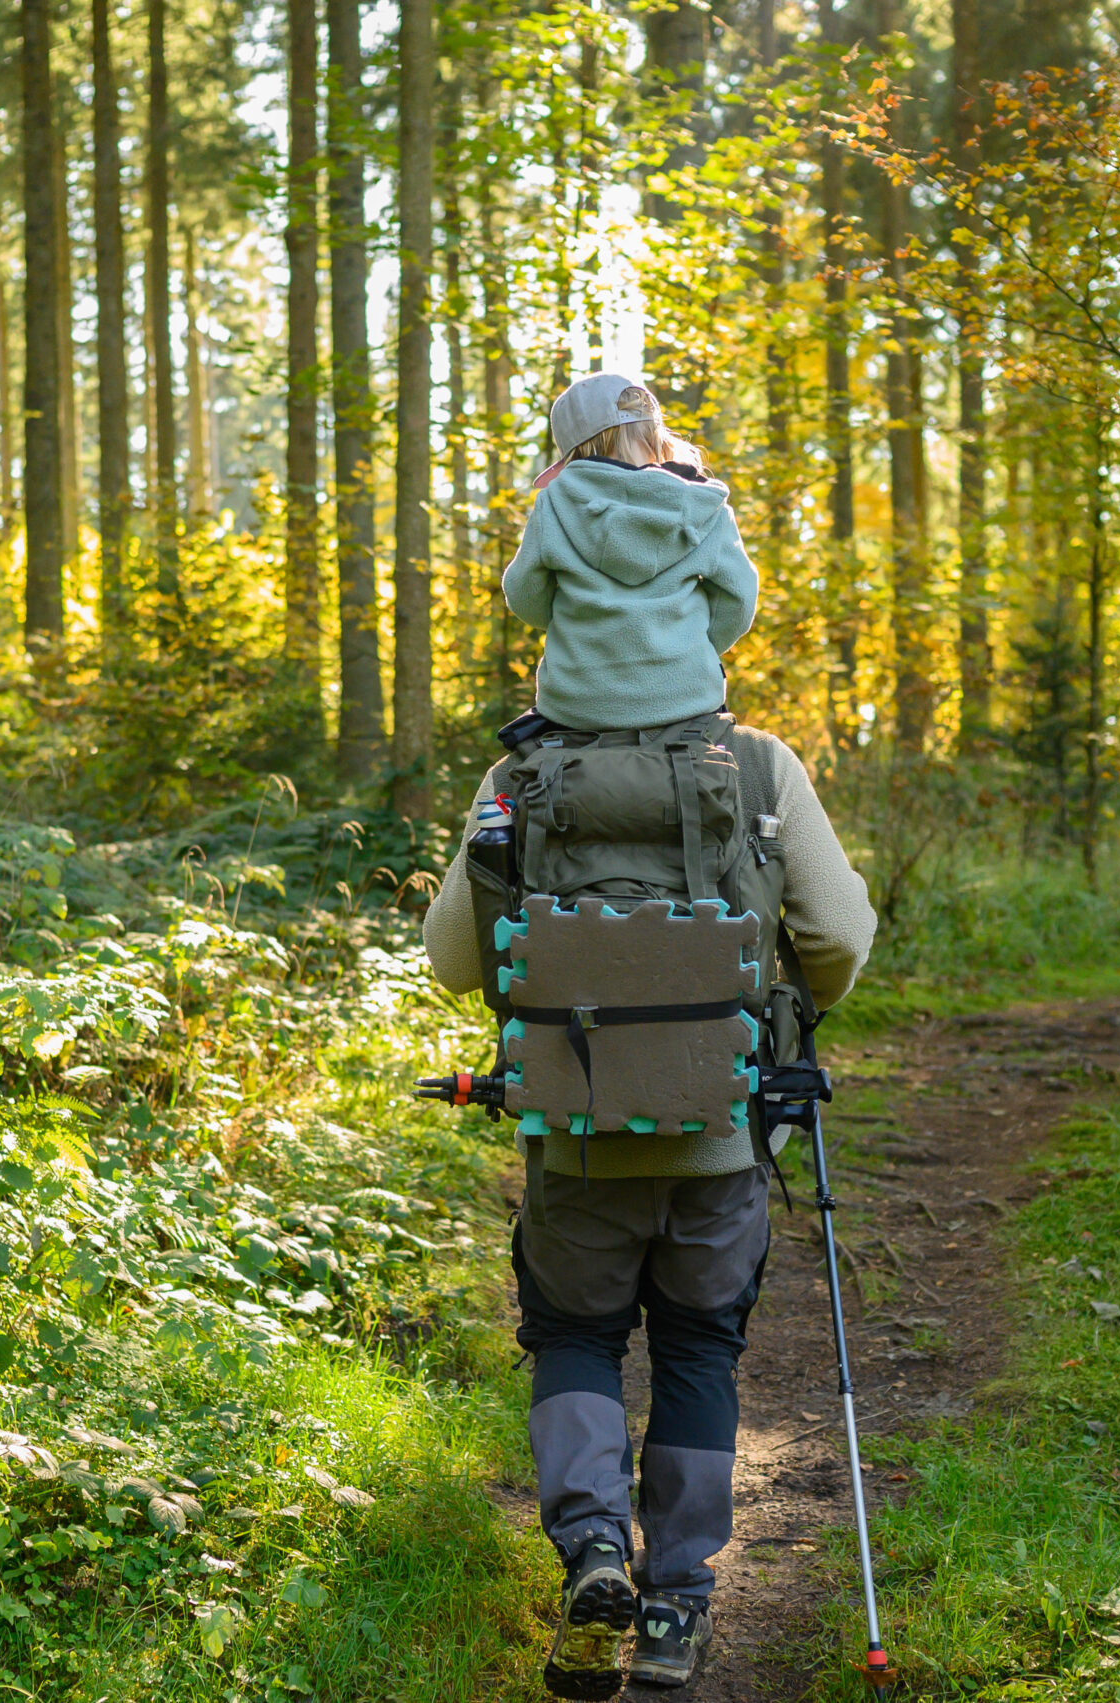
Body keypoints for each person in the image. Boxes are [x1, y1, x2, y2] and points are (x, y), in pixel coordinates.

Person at [420, 376, 876, 1698]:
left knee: (573, 1335)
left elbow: (455, 957)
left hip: (574, 1133)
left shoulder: (518, 776)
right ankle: (676, 1600)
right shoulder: (758, 766)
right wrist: (773, 1011)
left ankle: (588, 1553)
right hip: (717, 1137)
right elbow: (840, 938)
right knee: (697, 1346)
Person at [502, 372, 760, 737]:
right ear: (656, 435)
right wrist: (693, 648)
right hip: (686, 698)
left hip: (577, 705)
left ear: (573, 452)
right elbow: (740, 600)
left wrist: (574, 623)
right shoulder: (705, 505)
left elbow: (523, 595)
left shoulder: (554, 504)